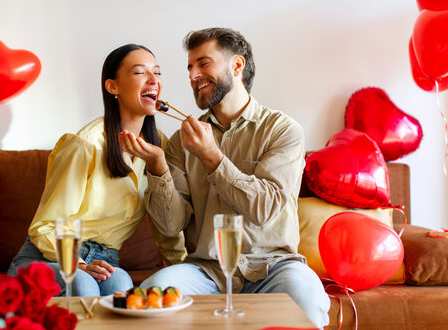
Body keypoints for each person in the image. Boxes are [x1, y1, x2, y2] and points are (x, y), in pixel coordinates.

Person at [119, 28, 330, 327]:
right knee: (145, 303)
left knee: (307, 301)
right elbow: (170, 225)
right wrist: (158, 167)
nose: (193, 75)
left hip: (273, 267)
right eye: (190, 67)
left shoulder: (282, 131)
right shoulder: (181, 141)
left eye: (203, 64)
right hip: (206, 271)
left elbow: (265, 209)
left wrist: (211, 157)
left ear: (237, 66)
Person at [8, 44, 186, 297]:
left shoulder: (161, 147)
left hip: (106, 261)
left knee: (122, 287)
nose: (153, 80)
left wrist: (180, 271)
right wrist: (79, 264)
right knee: (83, 284)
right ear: (113, 86)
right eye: (139, 73)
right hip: (49, 258)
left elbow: (166, 224)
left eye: (157, 72)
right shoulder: (84, 145)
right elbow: (45, 227)